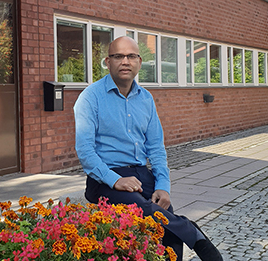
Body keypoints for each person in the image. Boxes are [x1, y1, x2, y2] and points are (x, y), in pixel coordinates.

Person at [74, 36, 223, 261]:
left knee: (167, 225)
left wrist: (163, 185)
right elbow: (85, 151)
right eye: (118, 56)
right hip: (105, 179)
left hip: (142, 174)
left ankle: (180, 242)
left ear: (140, 62)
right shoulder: (90, 98)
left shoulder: (146, 99)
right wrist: (115, 180)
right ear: (108, 61)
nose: (125, 61)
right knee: (144, 208)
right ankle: (193, 234)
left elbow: (156, 147)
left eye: (131, 56)